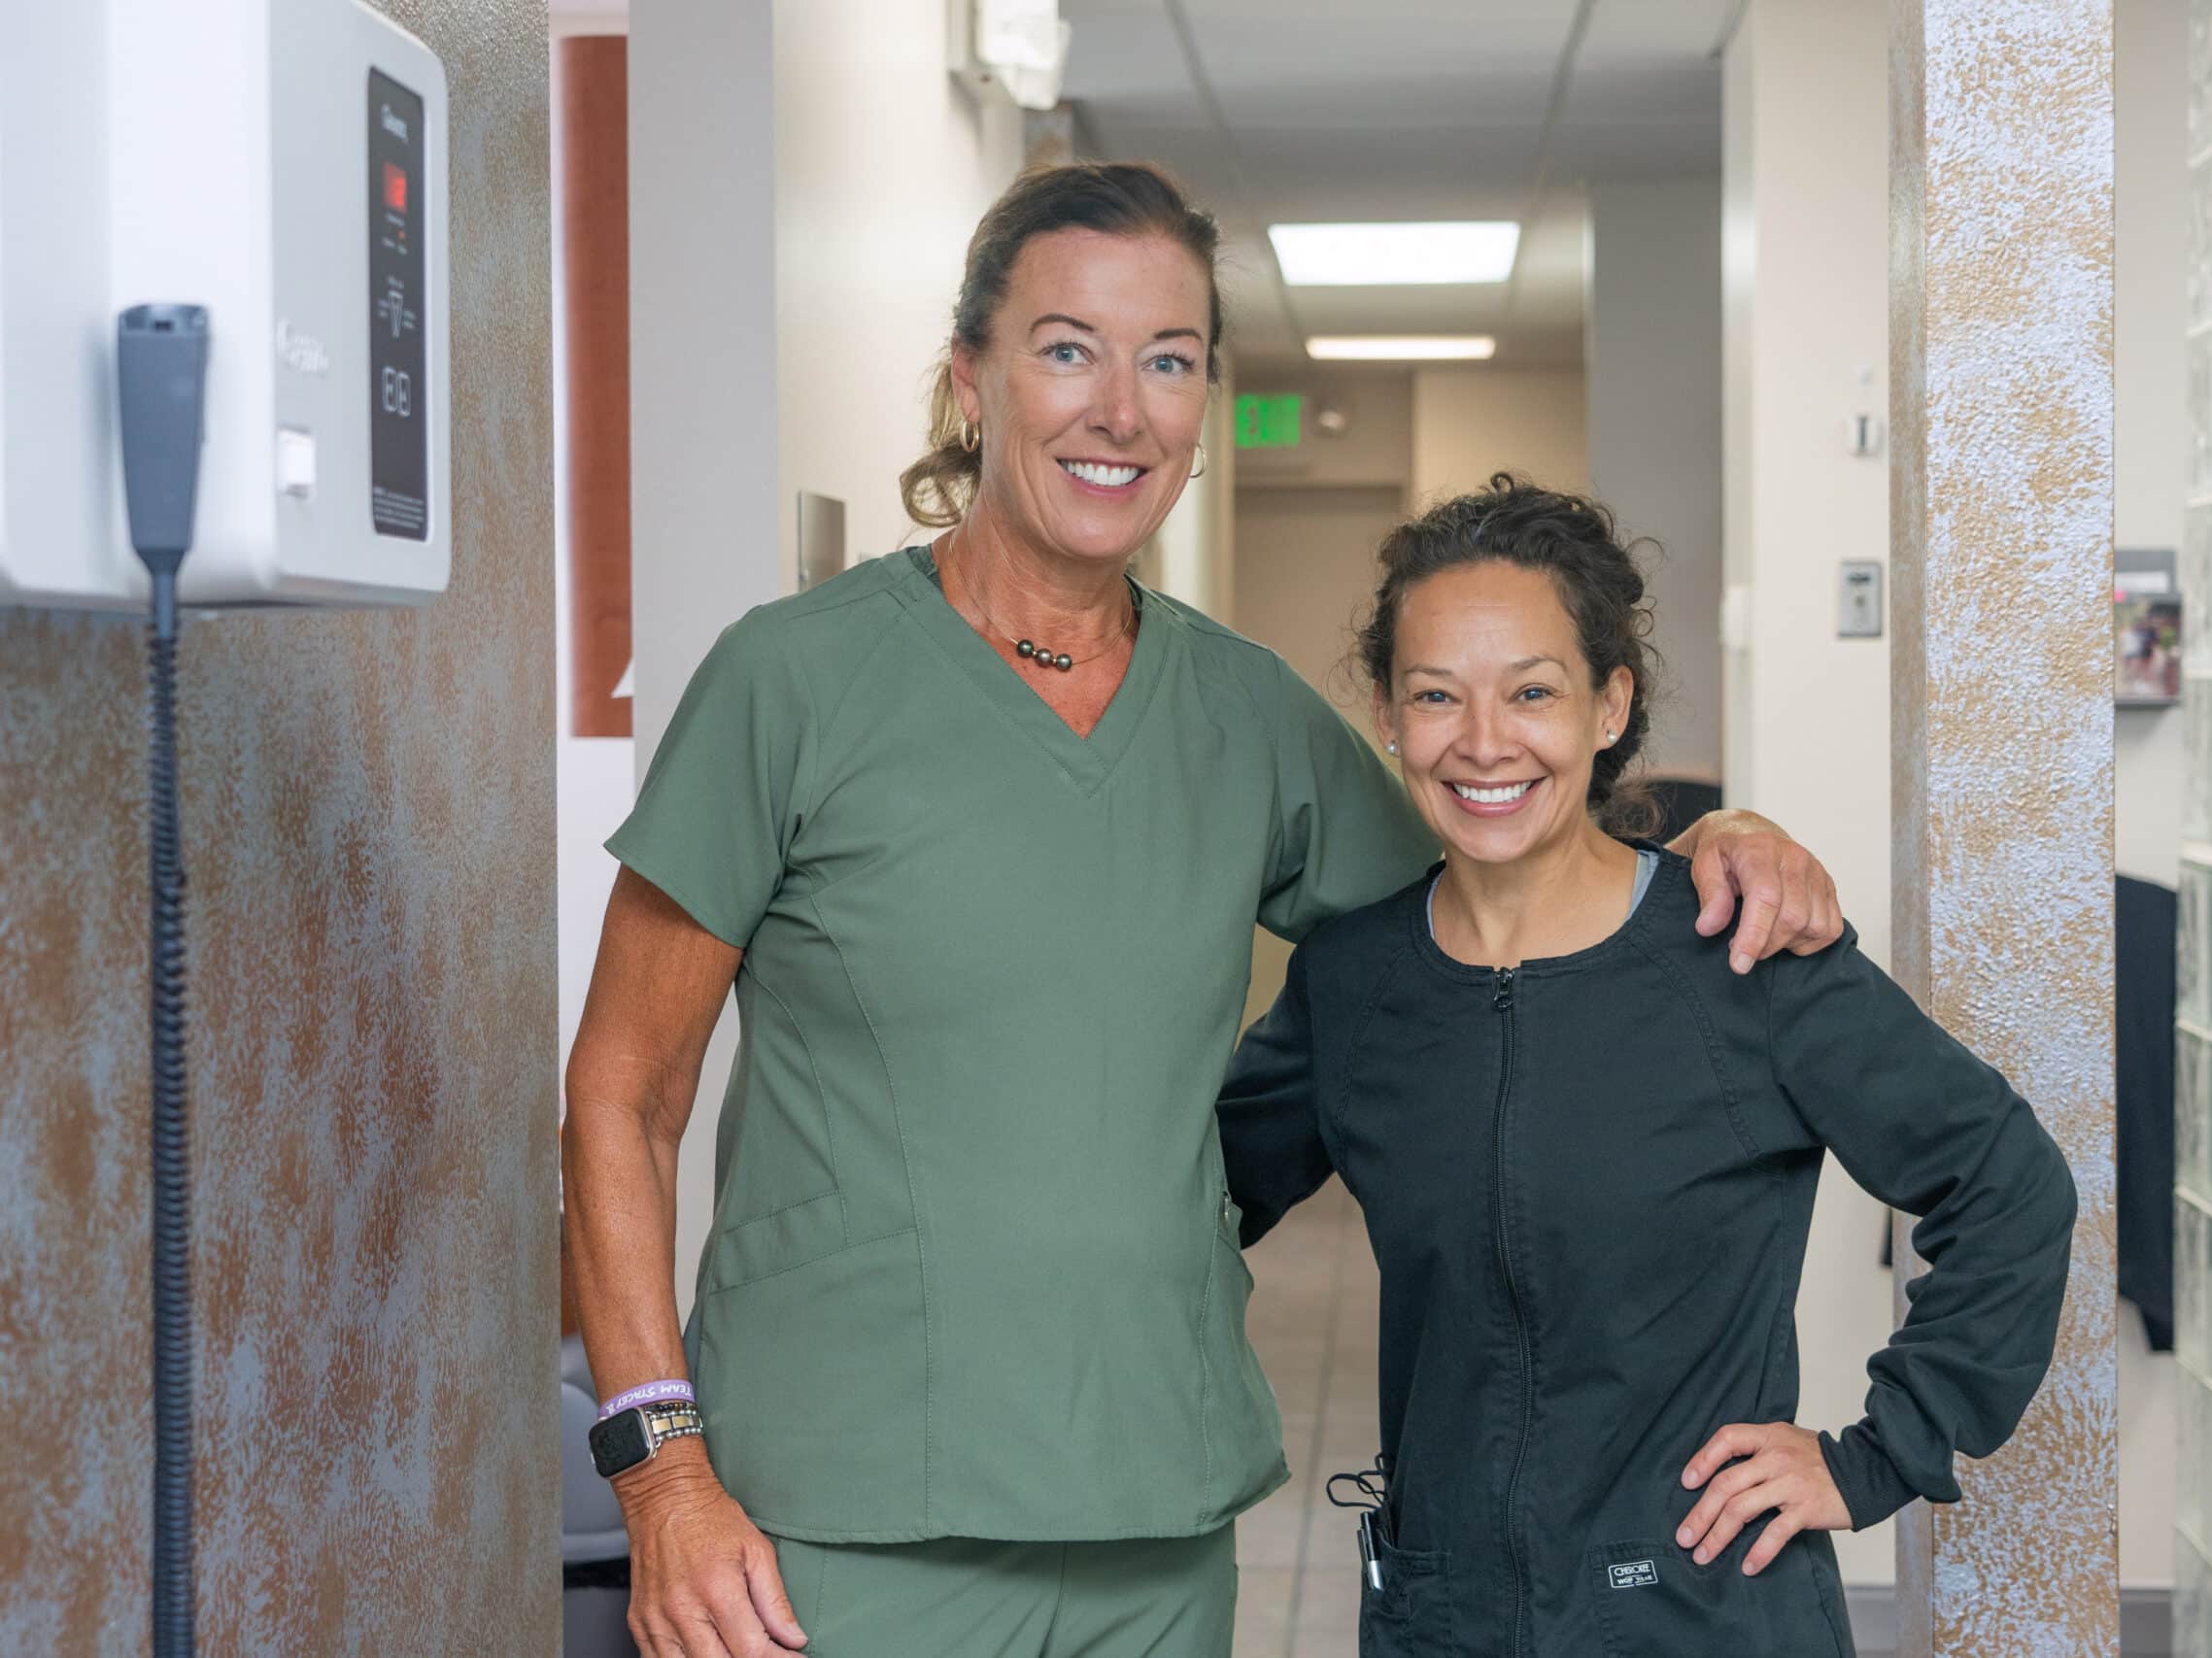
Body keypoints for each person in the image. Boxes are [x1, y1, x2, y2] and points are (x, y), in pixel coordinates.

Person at [562, 166, 1846, 1658]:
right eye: (1068, 349)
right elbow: (622, 1093)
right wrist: (658, 1470)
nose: (1121, 408)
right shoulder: (789, 683)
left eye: (1168, 360)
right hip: (832, 1520)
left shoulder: (1247, 717)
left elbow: (1508, 895)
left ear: (1201, 409)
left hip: (1152, 1513)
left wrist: (1706, 836)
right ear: (971, 380)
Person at [1217, 477, 2078, 1658]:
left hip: (1700, 1611)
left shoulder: (1742, 955)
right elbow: (1191, 1204)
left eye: (1532, 690)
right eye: (1436, 694)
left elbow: (2007, 1183)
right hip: (1443, 1613)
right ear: (1388, 714)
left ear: (1609, 704)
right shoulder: (1354, 983)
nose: (1482, 740)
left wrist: (1875, 1456)